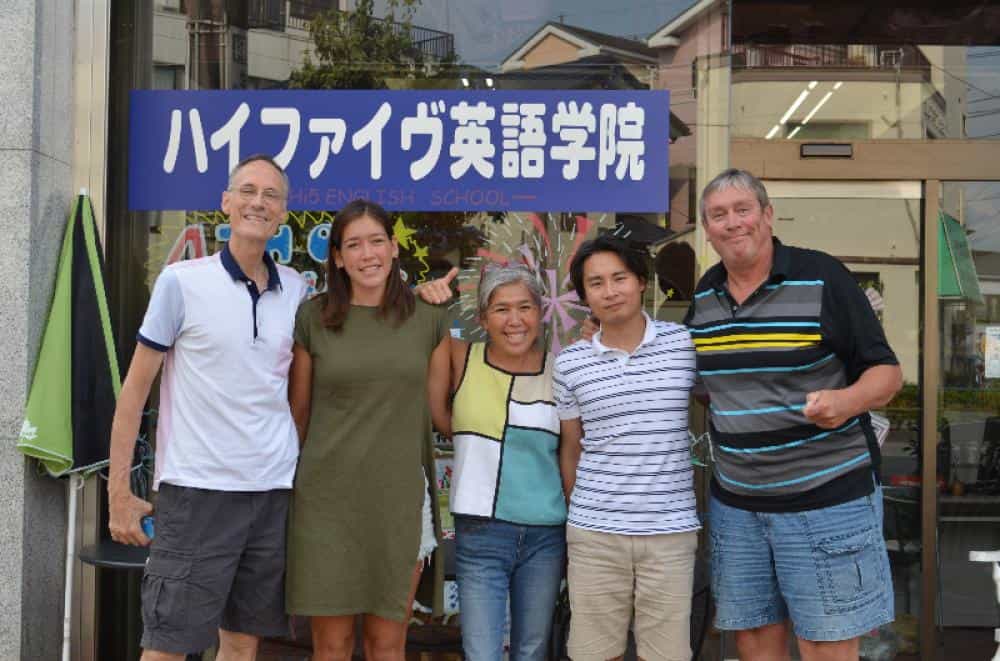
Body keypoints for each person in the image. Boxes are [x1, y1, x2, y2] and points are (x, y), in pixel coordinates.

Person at [685, 168, 902, 661]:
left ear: (767, 215)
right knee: (755, 643)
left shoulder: (822, 276)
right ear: (707, 228)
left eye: (743, 210)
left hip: (826, 502)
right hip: (737, 507)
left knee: (825, 645)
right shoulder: (704, 296)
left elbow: (887, 374)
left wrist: (844, 402)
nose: (733, 223)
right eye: (719, 215)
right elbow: (705, 386)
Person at [107, 154, 309, 661]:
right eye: (247, 190)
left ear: (284, 212)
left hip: (270, 491)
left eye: (270, 195)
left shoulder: (297, 290)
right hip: (197, 492)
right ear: (226, 202)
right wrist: (118, 494)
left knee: (242, 643)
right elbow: (133, 393)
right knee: (169, 646)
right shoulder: (181, 282)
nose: (258, 202)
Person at [285, 199, 454, 661]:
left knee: (388, 643)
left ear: (394, 248)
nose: (367, 254)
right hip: (324, 503)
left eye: (377, 241)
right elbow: (297, 416)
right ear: (337, 256)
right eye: (354, 245)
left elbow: (444, 414)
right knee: (332, 645)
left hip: (398, 501)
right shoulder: (313, 318)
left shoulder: (428, 318)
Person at [554, 235, 701, 661]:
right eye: (596, 283)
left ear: (641, 282)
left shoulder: (683, 345)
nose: (610, 290)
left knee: (666, 655)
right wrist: (579, 514)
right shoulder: (570, 363)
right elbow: (571, 448)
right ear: (585, 297)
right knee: (595, 654)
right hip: (595, 533)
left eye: (619, 278)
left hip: (669, 533)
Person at [427, 263, 567, 661]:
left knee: (532, 649)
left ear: (540, 313)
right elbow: (441, 416)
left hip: (545, 535)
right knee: (481, 652)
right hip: (481, 531)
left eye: (524, 307)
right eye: (501, 309)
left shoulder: (562, 372)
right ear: (482, 318)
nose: (514, 320)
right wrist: (429, 299)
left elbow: (571, 451)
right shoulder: (460, 357)